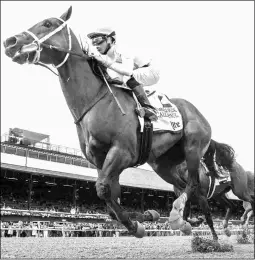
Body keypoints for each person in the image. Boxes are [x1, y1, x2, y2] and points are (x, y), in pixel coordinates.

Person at [85, 27, 160, 121]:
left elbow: (128, 71)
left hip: (151, 71)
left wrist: (105, 63)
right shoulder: (107, 56)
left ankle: (149, 107)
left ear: (110, 39)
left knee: (127, 77)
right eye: (93, 42)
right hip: (137, 71)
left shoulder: (122, 49)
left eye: (98, 40)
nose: (96, 45)